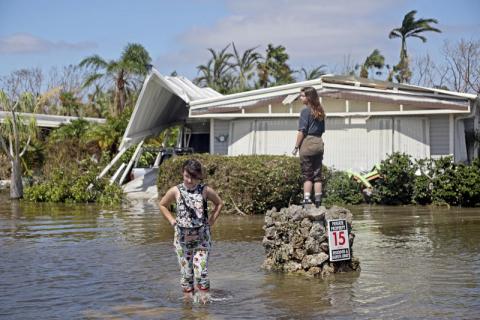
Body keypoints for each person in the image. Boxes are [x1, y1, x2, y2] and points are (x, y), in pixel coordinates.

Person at [158, 159, 223, 303]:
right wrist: (172, 221)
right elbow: (162, 205)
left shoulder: (205, 190)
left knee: (201, 272)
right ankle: (188, 308)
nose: (189, 180)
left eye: (193, 177)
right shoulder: (176, 190)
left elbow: (219, 203)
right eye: (187, 176)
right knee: (186, 275)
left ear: (198, 176)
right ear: (183, 173)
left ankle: (204, 305)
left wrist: (211, 220)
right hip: (182, 241)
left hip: (202, 240)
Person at [292, 86, 326, 208]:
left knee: (307, 174)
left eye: (302, 96)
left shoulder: (305, 111)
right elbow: (322, 130)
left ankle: (306, 199)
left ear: (308, 97)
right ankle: (318, 200)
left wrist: (296, 147)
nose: (301, 98)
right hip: (319, 143)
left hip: (308, 143)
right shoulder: (320, 110)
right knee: (317, 175)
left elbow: (302, 131)